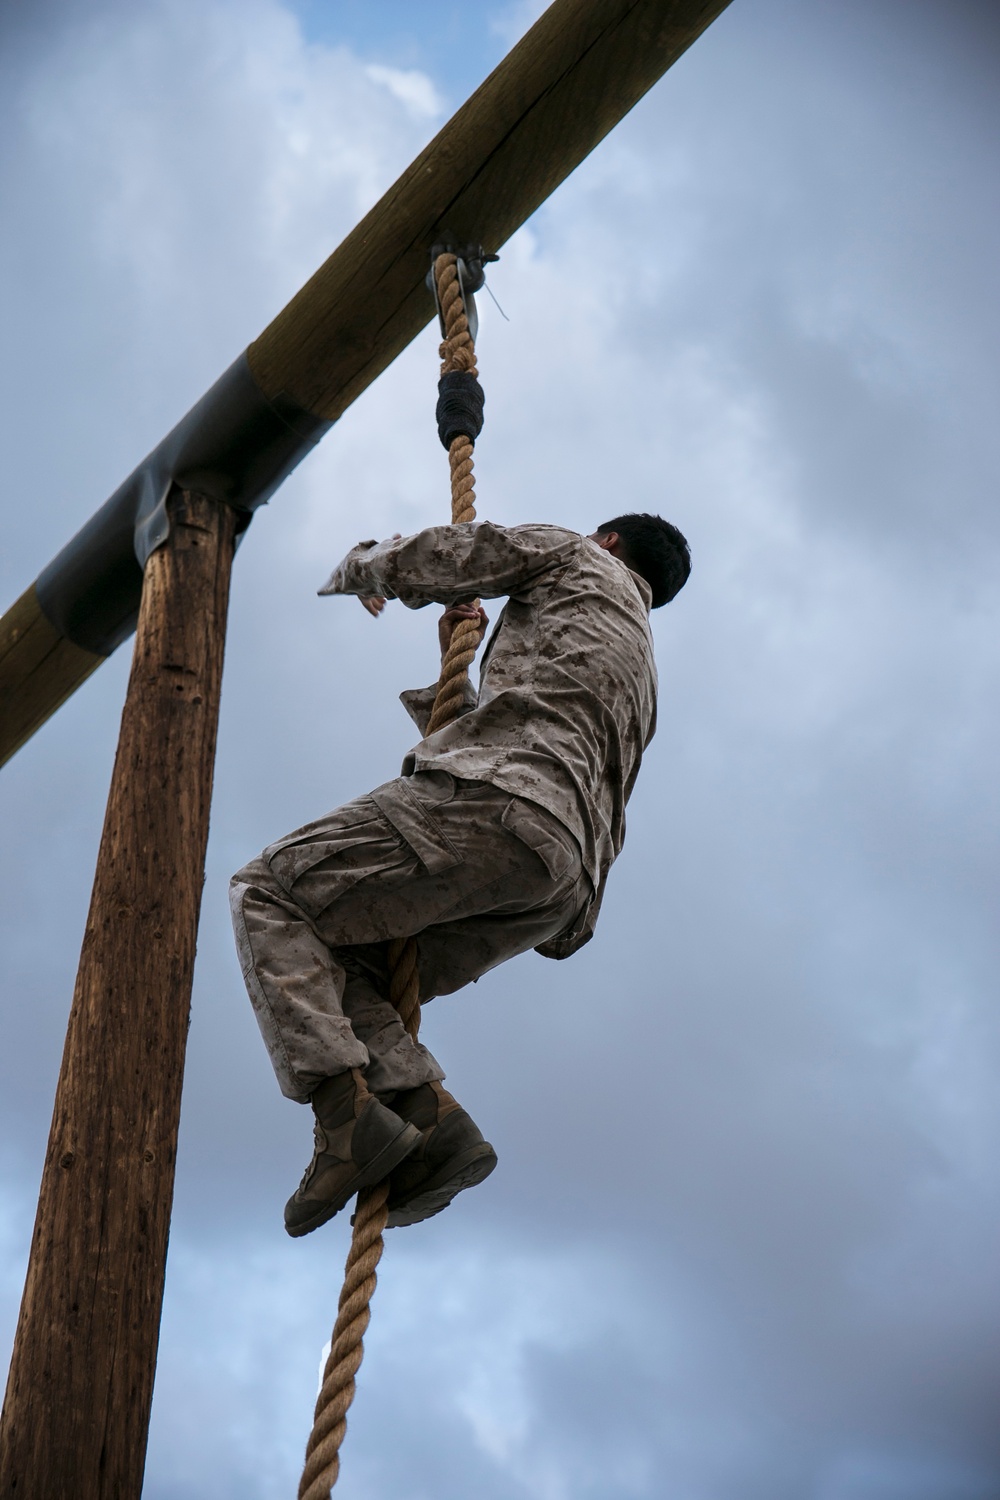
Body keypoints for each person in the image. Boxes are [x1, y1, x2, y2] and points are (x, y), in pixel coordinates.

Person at [230, 513, 690, 1237]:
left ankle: (343, 1115)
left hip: (502, 808)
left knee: (271, 891)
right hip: (556, 880)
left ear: (607, 540)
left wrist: (359, 568)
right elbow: (538, 739)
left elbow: (455, 554)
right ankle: (428, 1118)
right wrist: (457, 667)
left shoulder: (576, 557)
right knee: (342, 960)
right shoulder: (640, 667)